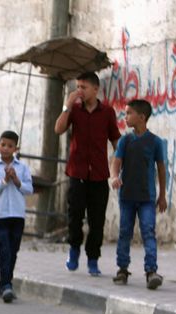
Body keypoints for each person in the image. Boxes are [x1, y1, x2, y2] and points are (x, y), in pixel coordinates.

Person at [55, 71, 121, 276]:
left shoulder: (107, 112)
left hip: (100, 175)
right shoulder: (74, 110)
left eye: (83, 87)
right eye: (77, 87)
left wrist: (118, 167)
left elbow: (115, 141)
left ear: (95, 89)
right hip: (77, 173)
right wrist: (67, 106)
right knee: (74, 216)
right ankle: (74, 250)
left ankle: (93, 259)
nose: (79, 91)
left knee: (97, 221)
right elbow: (58, 129)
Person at [110, 99, 167, 290]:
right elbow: (116, 162)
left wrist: (162, 196)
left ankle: (151, 271)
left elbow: (161, 170)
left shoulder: (155, 142)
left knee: (148, 232)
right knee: (125, 232)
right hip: (126, 196)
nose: (125, 117)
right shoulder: (125, 140)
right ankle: (122, 269)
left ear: (141, 117)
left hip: (147, 198)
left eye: (128, 113)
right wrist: (114, 177)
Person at [0, 131, 34, 303]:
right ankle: (6, 285)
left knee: (13, 250)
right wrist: (5, 180)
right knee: (3, 248)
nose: (6, 148)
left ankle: (5, 282)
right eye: (3, 145)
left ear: (16, 148)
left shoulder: (22, 168)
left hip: (17, 215)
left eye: (10, 146)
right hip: (1, 216)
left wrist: (17, 180)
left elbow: (29, 189)